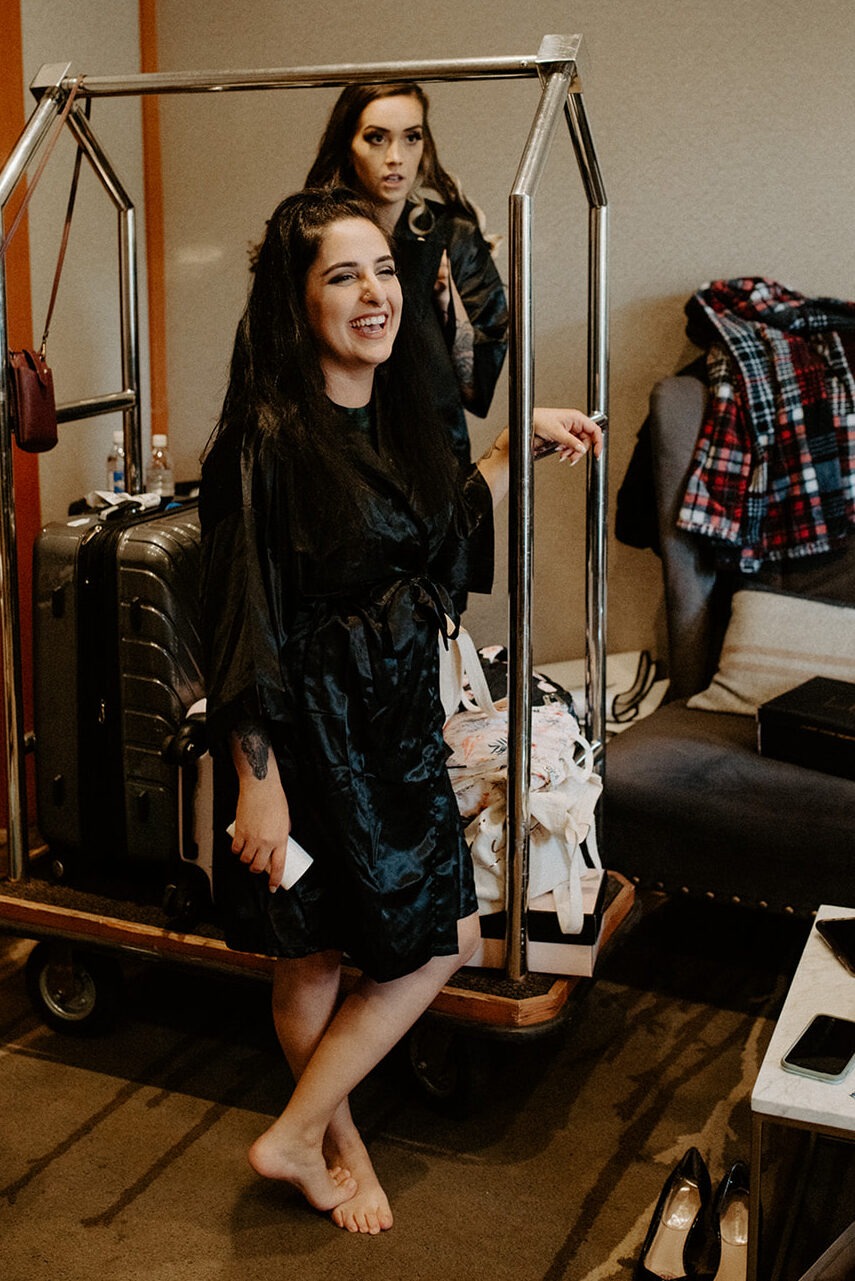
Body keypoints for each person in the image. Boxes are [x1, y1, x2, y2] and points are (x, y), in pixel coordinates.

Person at [199, 187, 601, 1235]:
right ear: (297, 302)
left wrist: (516, 450)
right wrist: (257, 783)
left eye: (382, 269)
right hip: (309, 738)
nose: (374, 293)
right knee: (351, 948)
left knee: (408, 940)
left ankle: (307, 1137)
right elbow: (241, 622)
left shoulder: (388, 417)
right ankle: (320, 1142)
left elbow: (427, 542)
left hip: (392, 724)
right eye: (343, 275)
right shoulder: (263, 443)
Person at [305, 81, 508, 465]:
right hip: (340, 452)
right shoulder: (314, 235)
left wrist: (448, 305)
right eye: (377, 138)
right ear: (348, 145)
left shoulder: (454, 235)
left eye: (411, 138)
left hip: (435, 455)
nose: (396, 157)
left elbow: (477, 389)